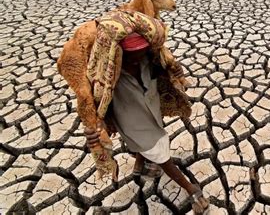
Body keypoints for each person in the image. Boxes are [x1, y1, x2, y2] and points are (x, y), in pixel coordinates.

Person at [84, 32, 209, 214]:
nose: (137, 58)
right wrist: (98, 127)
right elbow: (97, 107)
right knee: (162, 156)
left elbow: (166, 71)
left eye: (142, 52)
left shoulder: (147, 61)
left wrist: (176, 72)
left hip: (153, 113)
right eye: (132, 55)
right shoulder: (108, 77)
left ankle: (140, 162)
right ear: (119, 53)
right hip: (132, 123)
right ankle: (191, 188)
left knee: (147, 147)